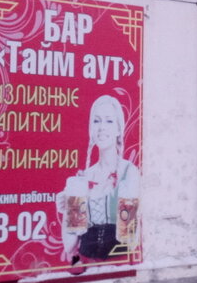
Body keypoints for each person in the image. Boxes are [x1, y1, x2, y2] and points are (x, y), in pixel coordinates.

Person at [59, 95, 140, 263]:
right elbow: (69, 245)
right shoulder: (82, 178)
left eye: (109, 121)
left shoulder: (129, 172)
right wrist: (69, 210)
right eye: (96, 121)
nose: (102, 127)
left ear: (119, 129)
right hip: (87, 258)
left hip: (118, 261)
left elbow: (128, 237)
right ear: (91, 128)